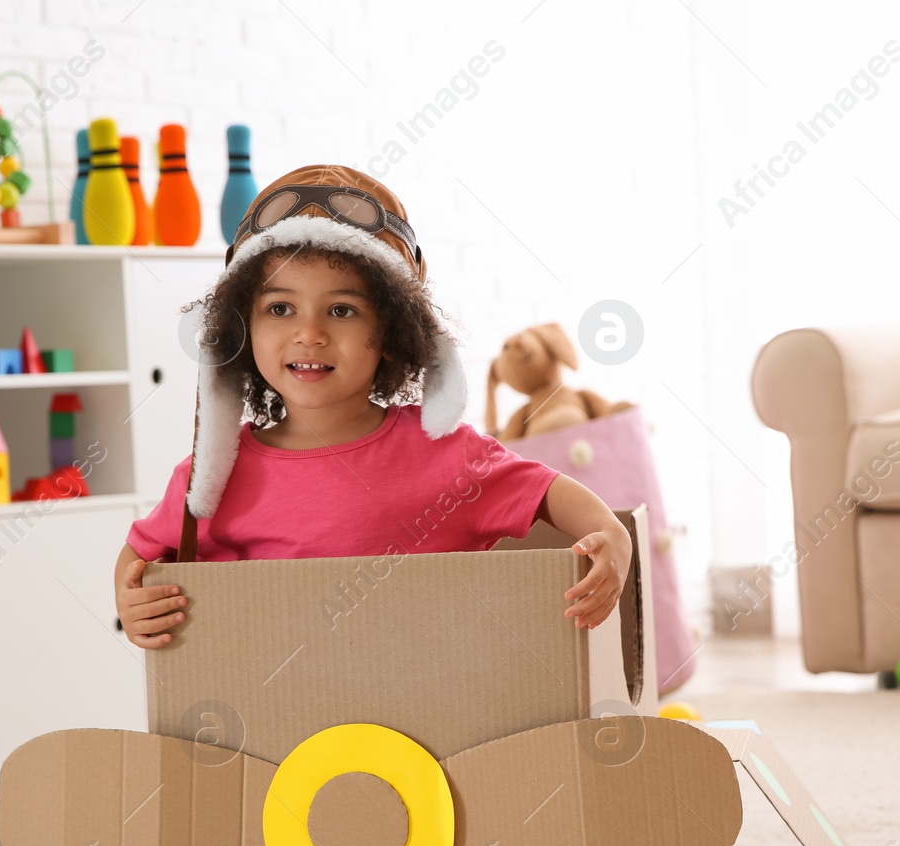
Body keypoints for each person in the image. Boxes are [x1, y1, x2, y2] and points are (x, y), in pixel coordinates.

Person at [113, 164, 632, 650]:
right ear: (243, 331)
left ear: (390, 332)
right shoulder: (212, 475)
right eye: (279, 308)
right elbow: (140, 556)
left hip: (430, 721)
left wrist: (613, 537)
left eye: (342, 310)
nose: (309, 333)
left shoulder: (449, 456)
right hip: (284, 727)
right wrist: (132, 603)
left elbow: (549, 493)